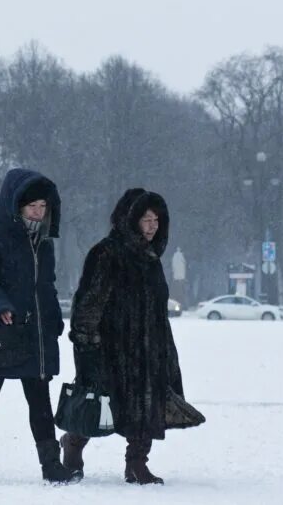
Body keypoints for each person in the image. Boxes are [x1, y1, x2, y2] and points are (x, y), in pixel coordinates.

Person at [63, 189, 205, 485]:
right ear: (131, 220)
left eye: (156, 220)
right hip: (111, 347)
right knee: (99, 402)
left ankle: (137, 463)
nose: (152, 226)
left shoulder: (151, 258)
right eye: (146, 220)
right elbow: (89, 301)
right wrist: (87, 342)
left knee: (147, 404)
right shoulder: (107, 253)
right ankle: (73, 445)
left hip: (149, 346)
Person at [0, 168, 79, 484]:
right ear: (16, 205)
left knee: (39, 399)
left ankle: (51, 465)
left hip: (34, 332)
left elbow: (46, 285)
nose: (38, 212)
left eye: (43, 206)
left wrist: (53, 318)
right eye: (32, 206)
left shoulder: (44, 243)